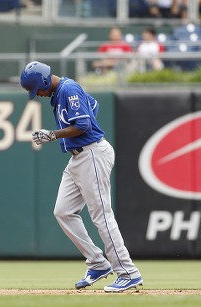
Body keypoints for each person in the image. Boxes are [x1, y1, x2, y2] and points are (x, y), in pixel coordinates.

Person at [20, 61, 143, 293]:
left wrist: (53, 134)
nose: (40, 95)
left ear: (45, 82)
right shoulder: (61, 92)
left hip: (92, 153)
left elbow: (84, 124)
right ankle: (97, 262)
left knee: (102, 216)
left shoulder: (67, 89)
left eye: (39, 90)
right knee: (63, 211)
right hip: (78, 157)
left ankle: (128, 272)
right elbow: (92, 106)